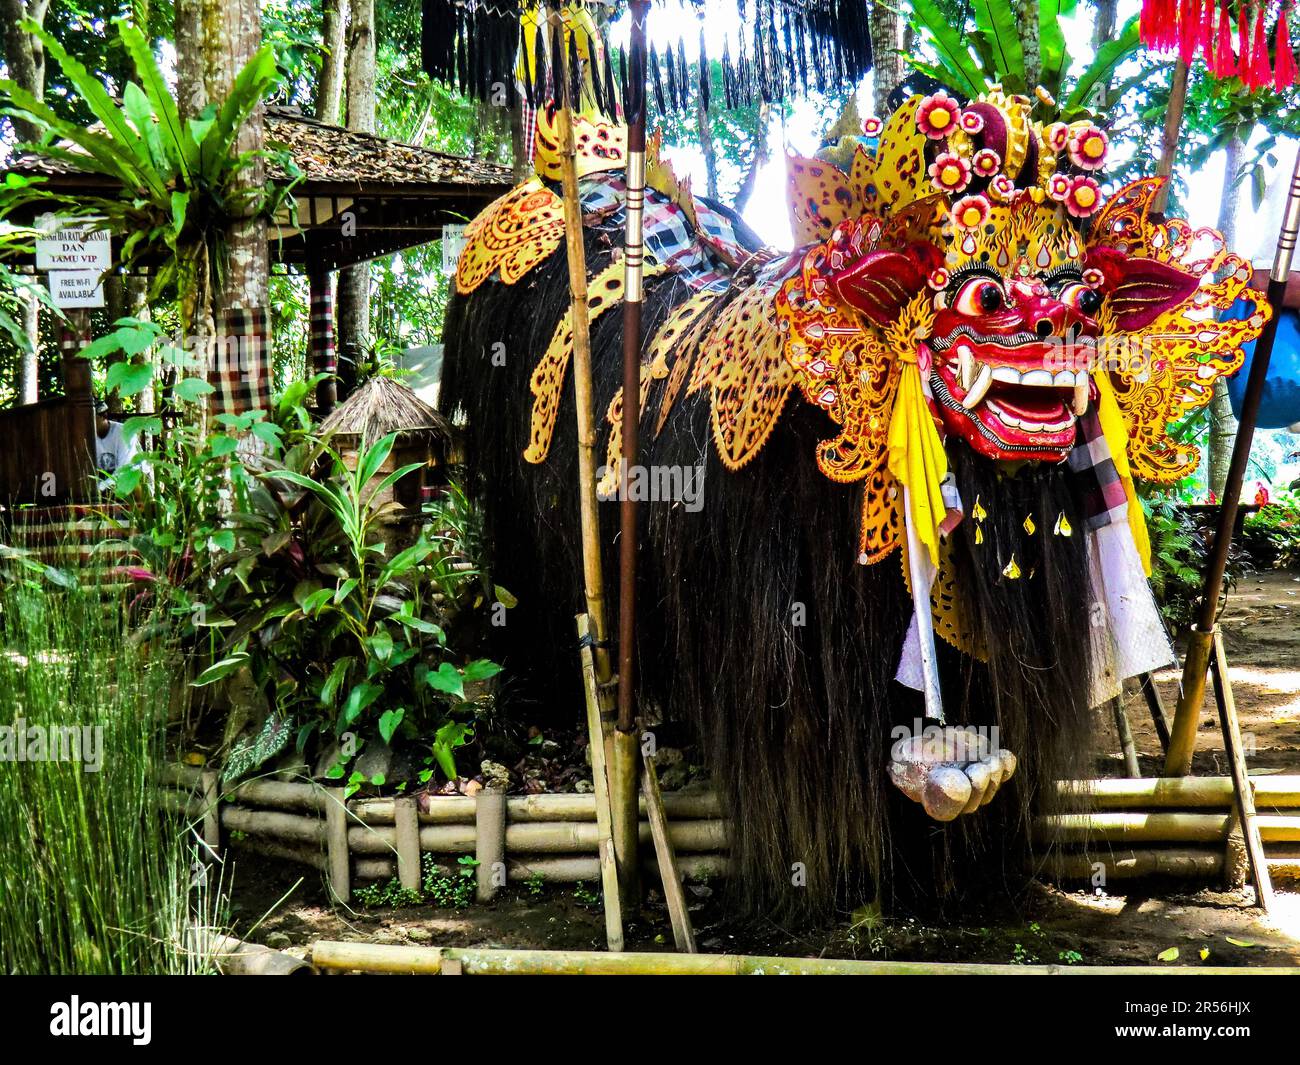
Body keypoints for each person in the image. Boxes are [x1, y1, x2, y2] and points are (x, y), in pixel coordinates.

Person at [94, 398, 137, 491]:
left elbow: (125, 470)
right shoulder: (85, 436)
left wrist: (99, 488)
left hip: (130, 481)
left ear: (103, 416)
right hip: (103, 487)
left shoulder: (125, 433)